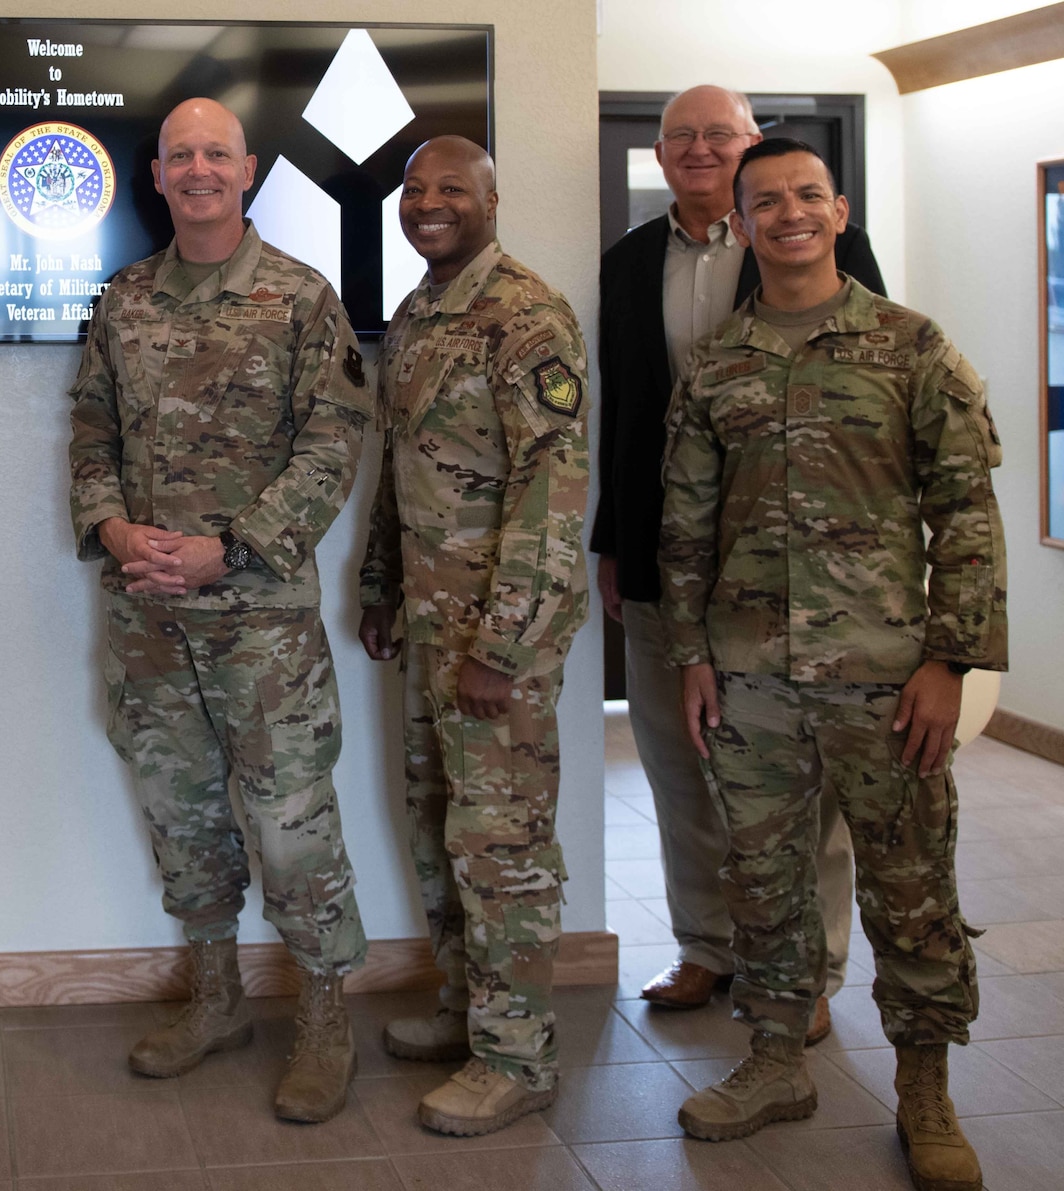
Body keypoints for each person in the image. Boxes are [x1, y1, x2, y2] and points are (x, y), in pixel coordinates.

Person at [660, 140, 1002, 1191]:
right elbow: (685, 524)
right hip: (749, 678)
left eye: (806, 195)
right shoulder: (715, 364)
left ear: (838, 211)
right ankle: (772, 1061)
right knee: (761, 882)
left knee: (910, 889)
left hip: (883, 677)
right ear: (745, 223)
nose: (789, 213)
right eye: (767, 202)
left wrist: (951, 661)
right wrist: (688, 656)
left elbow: (965, 512)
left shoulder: (909, 347)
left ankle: (923, 1090)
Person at [69, 97, 372, 1124]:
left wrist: (225, 551)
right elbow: (89, 433)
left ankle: (325, 1017)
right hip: (147, 621)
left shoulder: (299, 299)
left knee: (290, 831)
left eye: (216, 154)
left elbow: (333, 446)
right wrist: (112, 532)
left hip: (260, 625)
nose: (197, 169)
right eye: (179, 155)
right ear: (155, 176)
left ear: (246, 171)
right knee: (182, 822)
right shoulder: (121, 301)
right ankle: (214, 1000)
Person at [594, 86, 885, 1034]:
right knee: (677, 762)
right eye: (680, 136)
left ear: (752, 145)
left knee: (806, 775)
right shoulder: (631, 261)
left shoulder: (812, 242)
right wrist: (613, 542)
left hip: (796, 555)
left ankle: (811, 970)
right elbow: (625, 414)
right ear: (662, 155)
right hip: (661, 553)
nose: (698, 149)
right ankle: (706, 949)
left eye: (719, 134)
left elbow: (869, 388)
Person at [358, 136, 590, 1137]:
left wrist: (503, 643)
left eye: (452, 187)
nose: (427, 203)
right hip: (425, 621)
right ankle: (466, 1010)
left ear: (492, 200)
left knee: (500, 845)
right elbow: (398, 463)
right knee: (436, 827)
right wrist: (376, 583)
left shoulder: (525, 314)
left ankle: (517, 1056)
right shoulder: (418, 311)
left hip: (496, 639)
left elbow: (551, 492)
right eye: (413, 189)